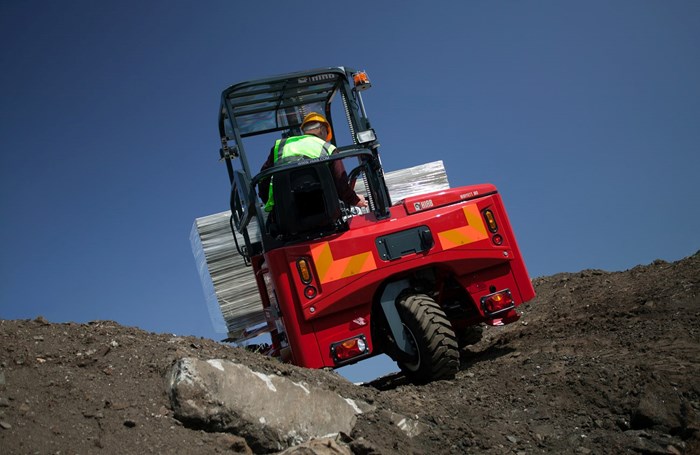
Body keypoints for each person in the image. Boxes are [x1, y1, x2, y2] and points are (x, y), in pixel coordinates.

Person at [258, 112, 368, 212]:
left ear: (305, 131)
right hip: (324, 213)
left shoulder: (280, 146)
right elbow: (340, 183)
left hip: (286, 215)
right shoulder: (327, 148)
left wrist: (274, 208)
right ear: (323, 130)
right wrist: (356, 200)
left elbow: (263, 179)